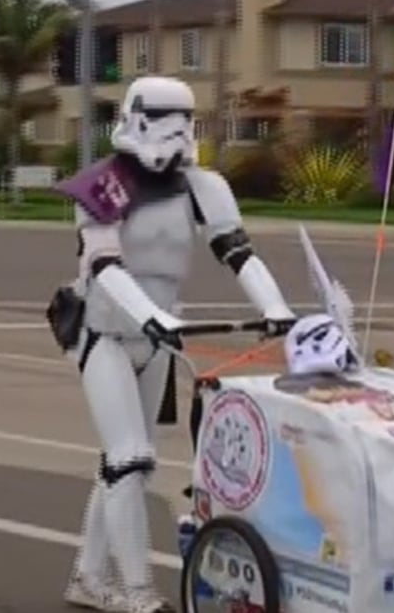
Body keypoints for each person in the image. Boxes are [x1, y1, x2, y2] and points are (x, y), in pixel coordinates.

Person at [44, 75, 296, 613]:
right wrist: (152, 316)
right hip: (106, 334)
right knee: (128, 460)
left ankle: (89, 578)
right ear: (136, 118)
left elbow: (237, 252)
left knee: (127, 465)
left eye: (186, 119)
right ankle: (137, 593)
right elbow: (105, 267)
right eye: (164, 118)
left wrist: (276, 308)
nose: (177, 132)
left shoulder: (203, 188)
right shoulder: (102, 186)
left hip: (160, 337)